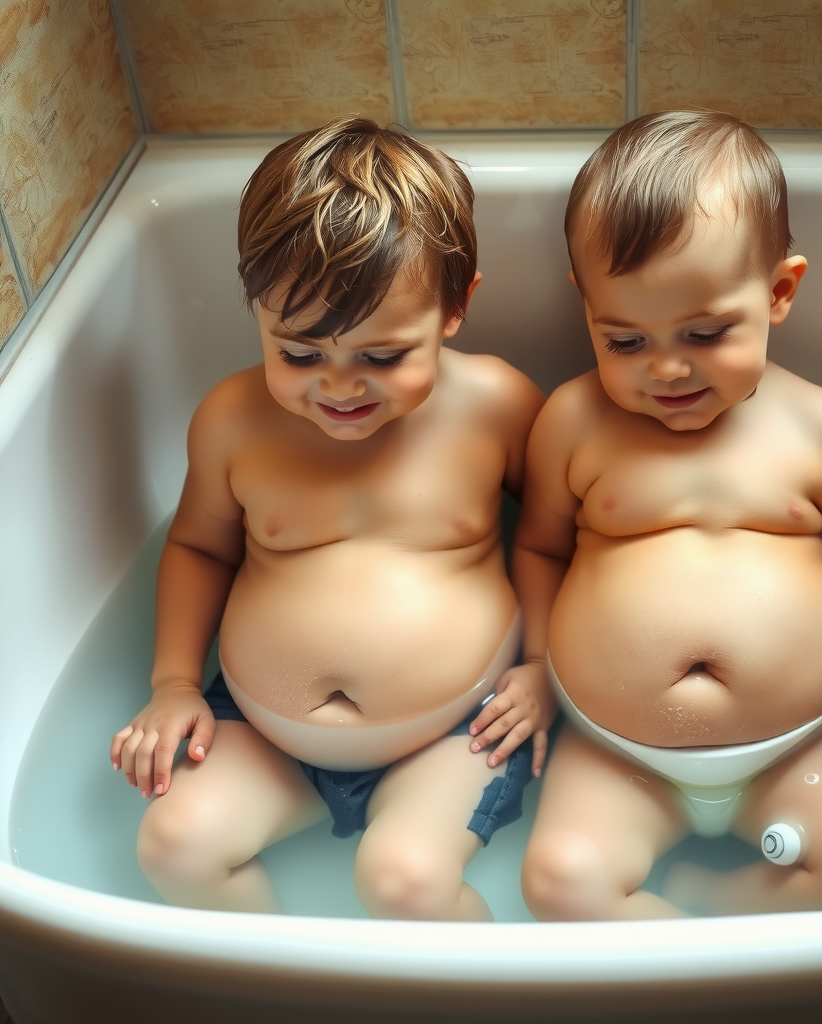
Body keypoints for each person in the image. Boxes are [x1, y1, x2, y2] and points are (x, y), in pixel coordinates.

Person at [109, 117, 553, 920]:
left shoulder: (495, 407)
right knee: (174, 844)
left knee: (406, 883)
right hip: (259, 729)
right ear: (256, 312)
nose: (339, 387)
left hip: (459, 730)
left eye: (382, 357)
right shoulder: (232, 421)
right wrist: (174, 684)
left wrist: (547, 664)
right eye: (300, 354)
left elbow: (555, 536)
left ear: (456, 306)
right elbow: (201, 548)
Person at [515, 110, 822, 920]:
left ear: (778, 292)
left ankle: (716, 906)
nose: (666, 368)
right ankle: (701, 951)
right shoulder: (571, 424)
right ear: (587, 307)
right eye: (624, 341)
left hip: (798, 744)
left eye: (706, 333)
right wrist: (536, 662)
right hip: (616, 750)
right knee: (560, 881)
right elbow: (536, 549)